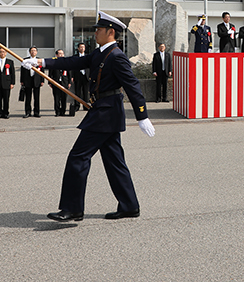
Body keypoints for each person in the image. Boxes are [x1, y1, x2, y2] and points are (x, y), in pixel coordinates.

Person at [23, 12, 154, 222]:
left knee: (78, 158)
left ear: (111, 32)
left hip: (105, 113)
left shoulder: (116, 55)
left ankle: (72, 208)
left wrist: (142, 115)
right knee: (114, 161)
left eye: (99, 30)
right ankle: (129, 205)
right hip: (103, 111)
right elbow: (74, 62)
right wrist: (41, 62)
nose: (95, 33)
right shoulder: (100, 53)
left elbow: (133, 86)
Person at [0, 47, 15, 119]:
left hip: (6, 83)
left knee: (6, 99)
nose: (2, 53)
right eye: (1, 52)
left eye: (4, 52)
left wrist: (12, 83)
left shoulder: (10, 62)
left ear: (6, 53)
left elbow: (12, 73)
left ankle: (6, 113)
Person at [21, 46, 44, 118]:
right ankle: (28, 112)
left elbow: (42, 71)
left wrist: (42, 80)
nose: (33, 52)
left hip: (37, 80)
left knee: (36, 98)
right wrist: (22, 81)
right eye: (32, 51)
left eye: (34, 50)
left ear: (36, 52)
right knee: (28, 97)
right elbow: (22, 71)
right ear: (29, 52)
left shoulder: (39, 60)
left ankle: (36, 112)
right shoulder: (25, 60)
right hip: (28, 80)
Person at [49, 49, 71, 116]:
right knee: (57, 98)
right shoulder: (53, 63)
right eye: (60, 54)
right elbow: (50, 74)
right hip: (56, 82)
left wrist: (69, 82)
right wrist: (50, 82)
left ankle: (63, 111)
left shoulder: (66, 63)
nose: (61, 55)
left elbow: (69, 74)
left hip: (64, 82)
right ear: (56, 55)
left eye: (62, 53)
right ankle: (57, 112)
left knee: (64, 98)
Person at [71, 43, 90, 115]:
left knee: (86, 91)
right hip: (78, 75)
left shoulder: (88, 56)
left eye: (83, 47)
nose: (82, 48)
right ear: (78, 48)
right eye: (81, 47)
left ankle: (85, 106)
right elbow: (72, 67)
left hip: (86, 75)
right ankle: (77, 105)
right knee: (77, 91)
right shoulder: (75, 57)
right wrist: (72, 76)